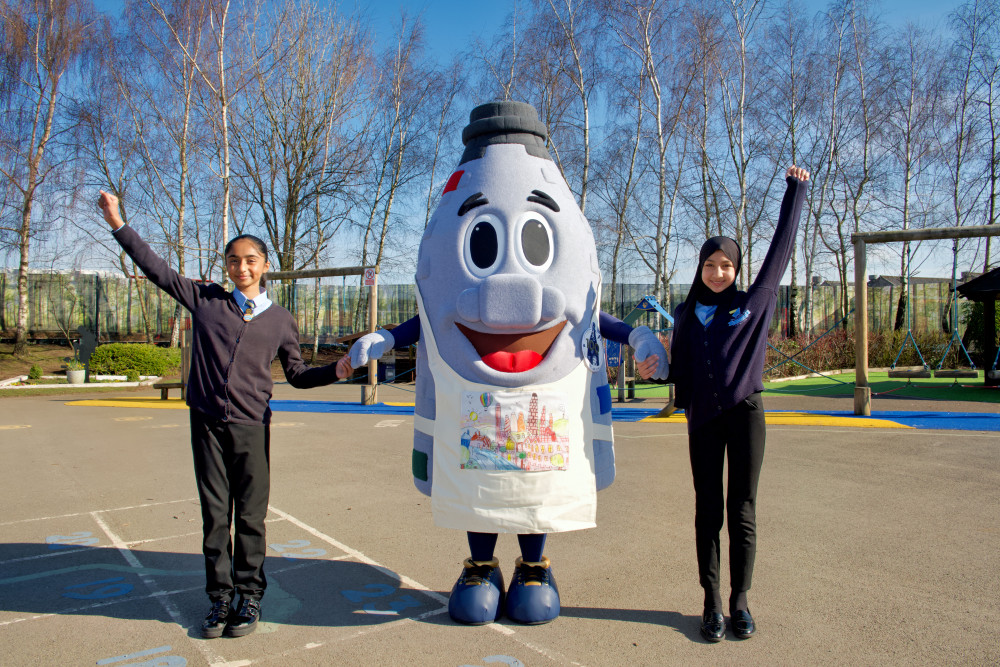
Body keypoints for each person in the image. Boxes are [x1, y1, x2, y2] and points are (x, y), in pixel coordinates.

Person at [97, 191, 351, 638]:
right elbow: (156, 268)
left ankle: (249, 596)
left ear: (265, 265)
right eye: (233, 261)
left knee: (250, 516)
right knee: (215, 514)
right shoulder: (207, 299)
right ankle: (218, 600)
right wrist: (118, 223)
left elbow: (296, 375)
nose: (242, 268)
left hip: (252, 427)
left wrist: (337, 370)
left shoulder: (281, 320)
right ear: (227, 266)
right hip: (207, 424)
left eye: (250, 260)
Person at [666, 166, 810, 642]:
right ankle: (710, 604)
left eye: (726, 265)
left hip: (746, 416)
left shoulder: (756, 302)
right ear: (700, 269)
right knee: (708, 510)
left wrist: (796, 190)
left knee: (741, 509)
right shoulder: (687, 314)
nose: (718, 272)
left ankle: (740, 602)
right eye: (710, 265)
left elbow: (782, 248)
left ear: (736, 269)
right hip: (702, 421)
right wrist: (659, 371)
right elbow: (679, 371)